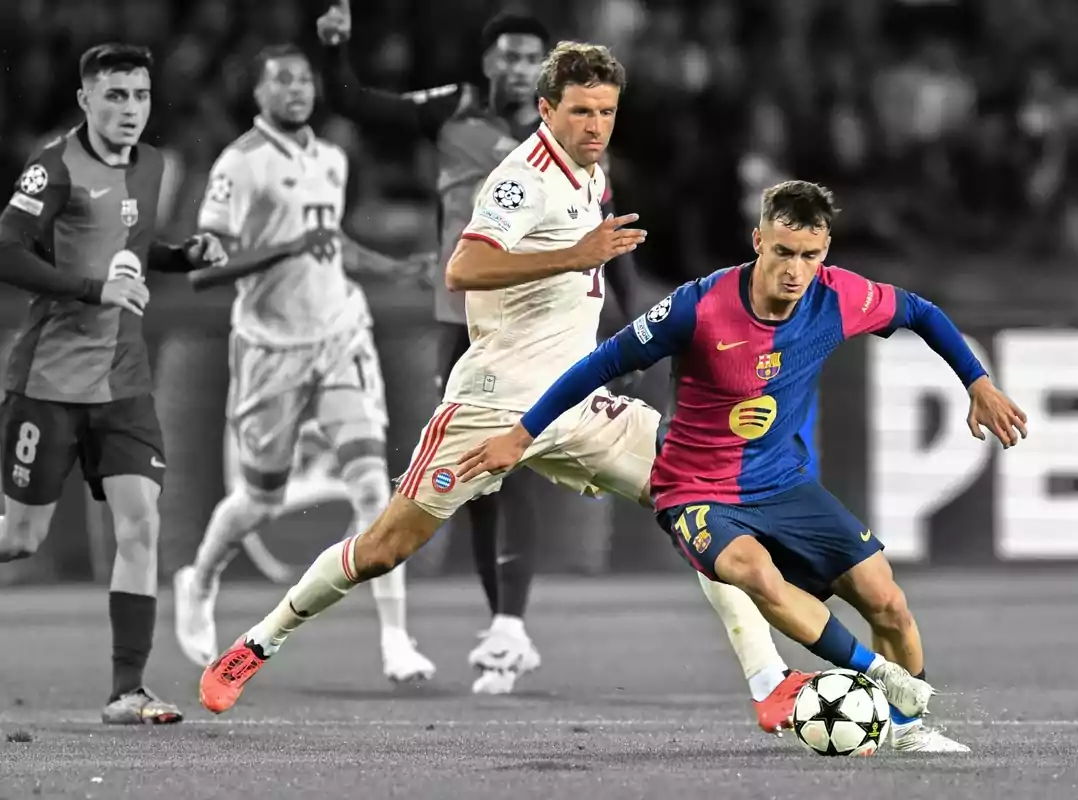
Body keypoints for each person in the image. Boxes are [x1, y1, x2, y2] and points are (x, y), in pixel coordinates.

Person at [197, 43, 812, 737]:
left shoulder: (592, 175)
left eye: (606, 112)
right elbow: (465, 266)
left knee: (700, 505)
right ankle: (259, 642)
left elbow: (590, 281)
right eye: (580, 111)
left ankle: (769, 682)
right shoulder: (520, 179)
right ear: (546, 110)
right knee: (383, 548)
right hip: (494, 405)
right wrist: (575, 254)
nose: (595, 126)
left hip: (577, 405)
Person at [457, 180, 1033, 752]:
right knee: (752, 571)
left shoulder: (842, 297)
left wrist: (977, 382)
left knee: (887, 600)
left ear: (825, 252)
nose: (795, 269)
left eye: (810, 255)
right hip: (693, 489)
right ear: (758, 241)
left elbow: (920, 311)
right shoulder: (698, 305)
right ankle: (873, 672)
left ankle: (907, 731)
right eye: (783, 251)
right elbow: (601, 363)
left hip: (782, 483)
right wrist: (522, 433)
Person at [315, 2, 646, 693]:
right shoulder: (451, 109)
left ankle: (511, 624)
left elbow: (603, 237)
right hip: (461, 314)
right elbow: (353, 102)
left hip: (542, 324)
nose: (517, 66)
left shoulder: (571, 134)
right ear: (488, 60)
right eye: (508, 54)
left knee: (516, 460)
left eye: (531, 57)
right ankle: (505, 623)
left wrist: (629, 317)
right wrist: (336, 51)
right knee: (477, 477)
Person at [172, 44, 436, 685]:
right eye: (281, 80)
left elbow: (331, 244)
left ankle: (397, 641)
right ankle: (198, 576)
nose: (296, 89)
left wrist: (395, 267)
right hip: (270, 348)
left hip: (341, 333)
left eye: (304, 80)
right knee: (259, 498)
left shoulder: (331, 158)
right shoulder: (240, 166)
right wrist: (285, 246)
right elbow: (207, 271)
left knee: (374, 486)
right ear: (258, 93)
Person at [0, 43, 227, 724]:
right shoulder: (54, 167)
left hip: (124, 382)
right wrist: (91, 290)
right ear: (85, 100)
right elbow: (5, 249)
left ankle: (126, 690)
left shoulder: (152, 164)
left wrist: (184, 254)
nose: (130, 110)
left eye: (140, 96)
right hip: (49, 379)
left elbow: (131, 247)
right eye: (115, 96)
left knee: (141, 527)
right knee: (20, 539)